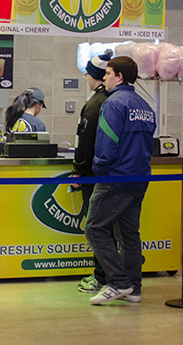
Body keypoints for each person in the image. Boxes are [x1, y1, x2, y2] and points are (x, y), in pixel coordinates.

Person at [84, 56, 156, 305]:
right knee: (129, 235)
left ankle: (118, 282)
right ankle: (134, 288)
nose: (104, 78)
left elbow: (107, 143)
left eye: (108, 73)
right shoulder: (145, 106)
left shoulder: (114, 103)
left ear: (119, 77)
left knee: (94, 228)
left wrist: (98, 169)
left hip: (115, 178)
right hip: (139, 178)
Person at [71, 49, 112, 294]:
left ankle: (102, 276)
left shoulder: (94, 104)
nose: (85, 78)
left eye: (87, 74)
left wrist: (78, 170)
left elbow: (84, 142)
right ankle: (113, 275)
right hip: (113, 175)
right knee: (111, 228)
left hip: (94, 176)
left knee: (97, 227)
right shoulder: (114, 100)